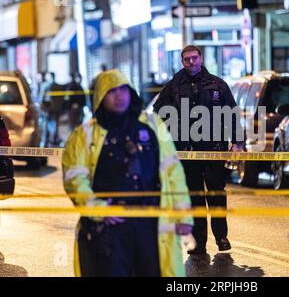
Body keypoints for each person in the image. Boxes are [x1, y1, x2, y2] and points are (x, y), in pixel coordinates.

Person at [62, 69, 193, 277]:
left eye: (123, 89)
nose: (119, 95)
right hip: (109, 232)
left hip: (150, 227)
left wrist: (184, 215)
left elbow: (173, 172)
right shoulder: (84, 135)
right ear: (101, 97)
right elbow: (74, 180)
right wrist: (98, 210)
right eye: (112, 91)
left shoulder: (152, 125)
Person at [153, 45, 245, 255]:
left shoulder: (217, 85)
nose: (191, 62)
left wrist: (237, 142)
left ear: (201, 59)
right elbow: (157, 113)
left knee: (216, 194)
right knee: (194, 197)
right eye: (187, 59)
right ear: (182, 61)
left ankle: (221, 237)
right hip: (186, 151)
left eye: (195, 58)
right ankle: (198, 242)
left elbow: (232, 114)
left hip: (213, 149)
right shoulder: (174, 86)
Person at [40, 72, 66, 146]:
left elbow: (42, 99)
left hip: (48, 110)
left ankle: (47, 141)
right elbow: (62, 98)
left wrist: (42, 110)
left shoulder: (45, 86)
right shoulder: (58, 86)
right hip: (56, 109)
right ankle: (54, 140)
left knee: (46, 127)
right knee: (55, 126)